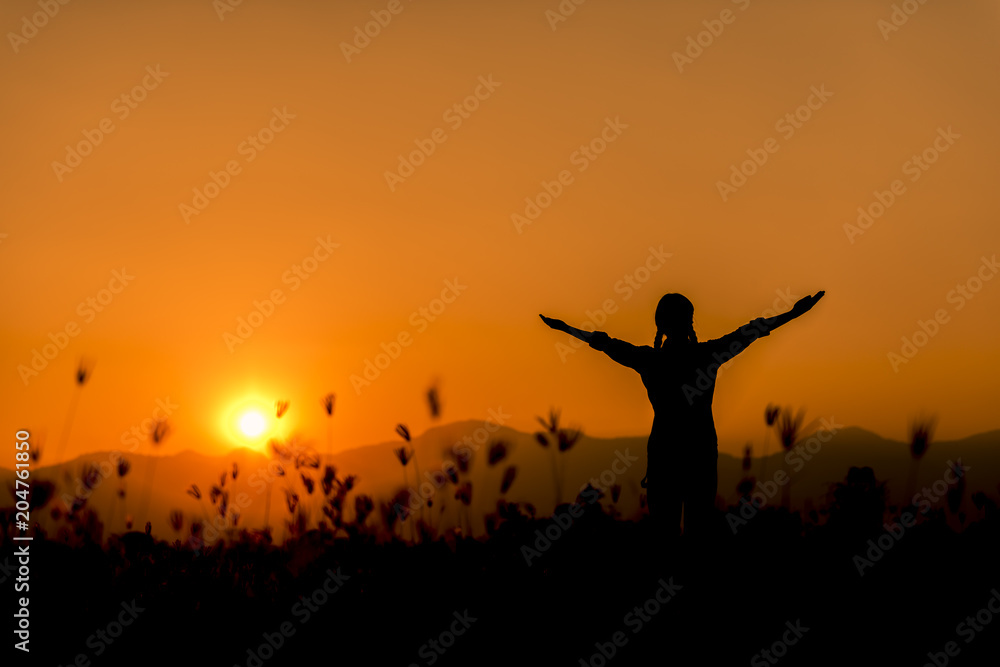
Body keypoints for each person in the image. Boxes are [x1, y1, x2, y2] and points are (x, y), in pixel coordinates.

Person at [540, 290, 824, 550]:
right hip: (700, 454)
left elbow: (605, 343)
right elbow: (751, 331)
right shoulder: (707, 355)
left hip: (664, 455)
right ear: (690, 322)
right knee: (698, 535)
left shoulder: (650, 360)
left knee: (664, 536)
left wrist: (566, 328)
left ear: (659, 325)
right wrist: (791, 314)